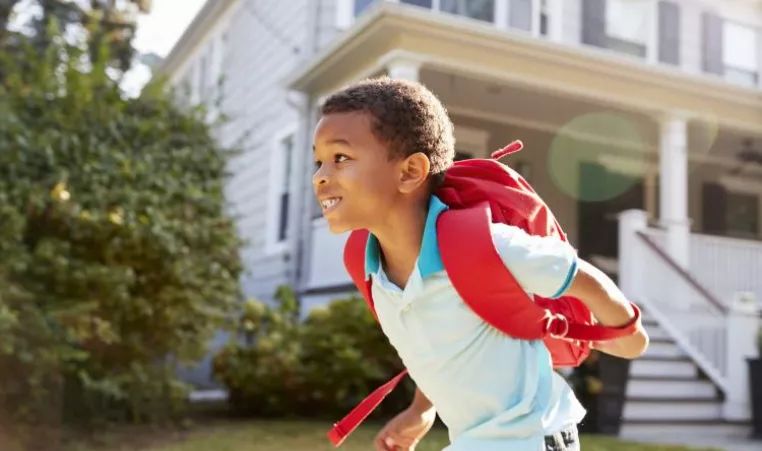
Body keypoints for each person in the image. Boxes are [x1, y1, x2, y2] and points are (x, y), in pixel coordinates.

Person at [311, 76, 648, 451]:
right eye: (319, 161)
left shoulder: (483, 245)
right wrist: (421, 409)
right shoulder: (369, 265)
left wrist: (625, 334)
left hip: (534, 440)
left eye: (341, 158)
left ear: (409, 172)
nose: (321, 176)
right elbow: (438, 342)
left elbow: (578, 274)